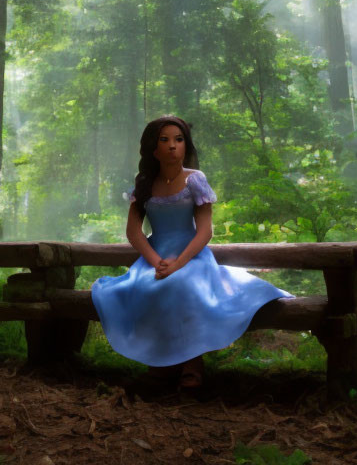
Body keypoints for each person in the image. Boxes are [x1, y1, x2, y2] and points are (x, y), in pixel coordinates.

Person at [91, 115, 293, 388]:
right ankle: (161, 360)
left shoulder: (194, 180)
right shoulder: (144, 183)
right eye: (165, 140)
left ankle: (191, 361)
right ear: (153, 148)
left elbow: (205, 231)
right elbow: (134, 232)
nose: (173, 146)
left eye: (179, 139)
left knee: (182, 285)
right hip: (155, 256)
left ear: (186, 145)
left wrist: (177, 264)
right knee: (147, 287)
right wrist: (155, 262)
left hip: (192, 256)